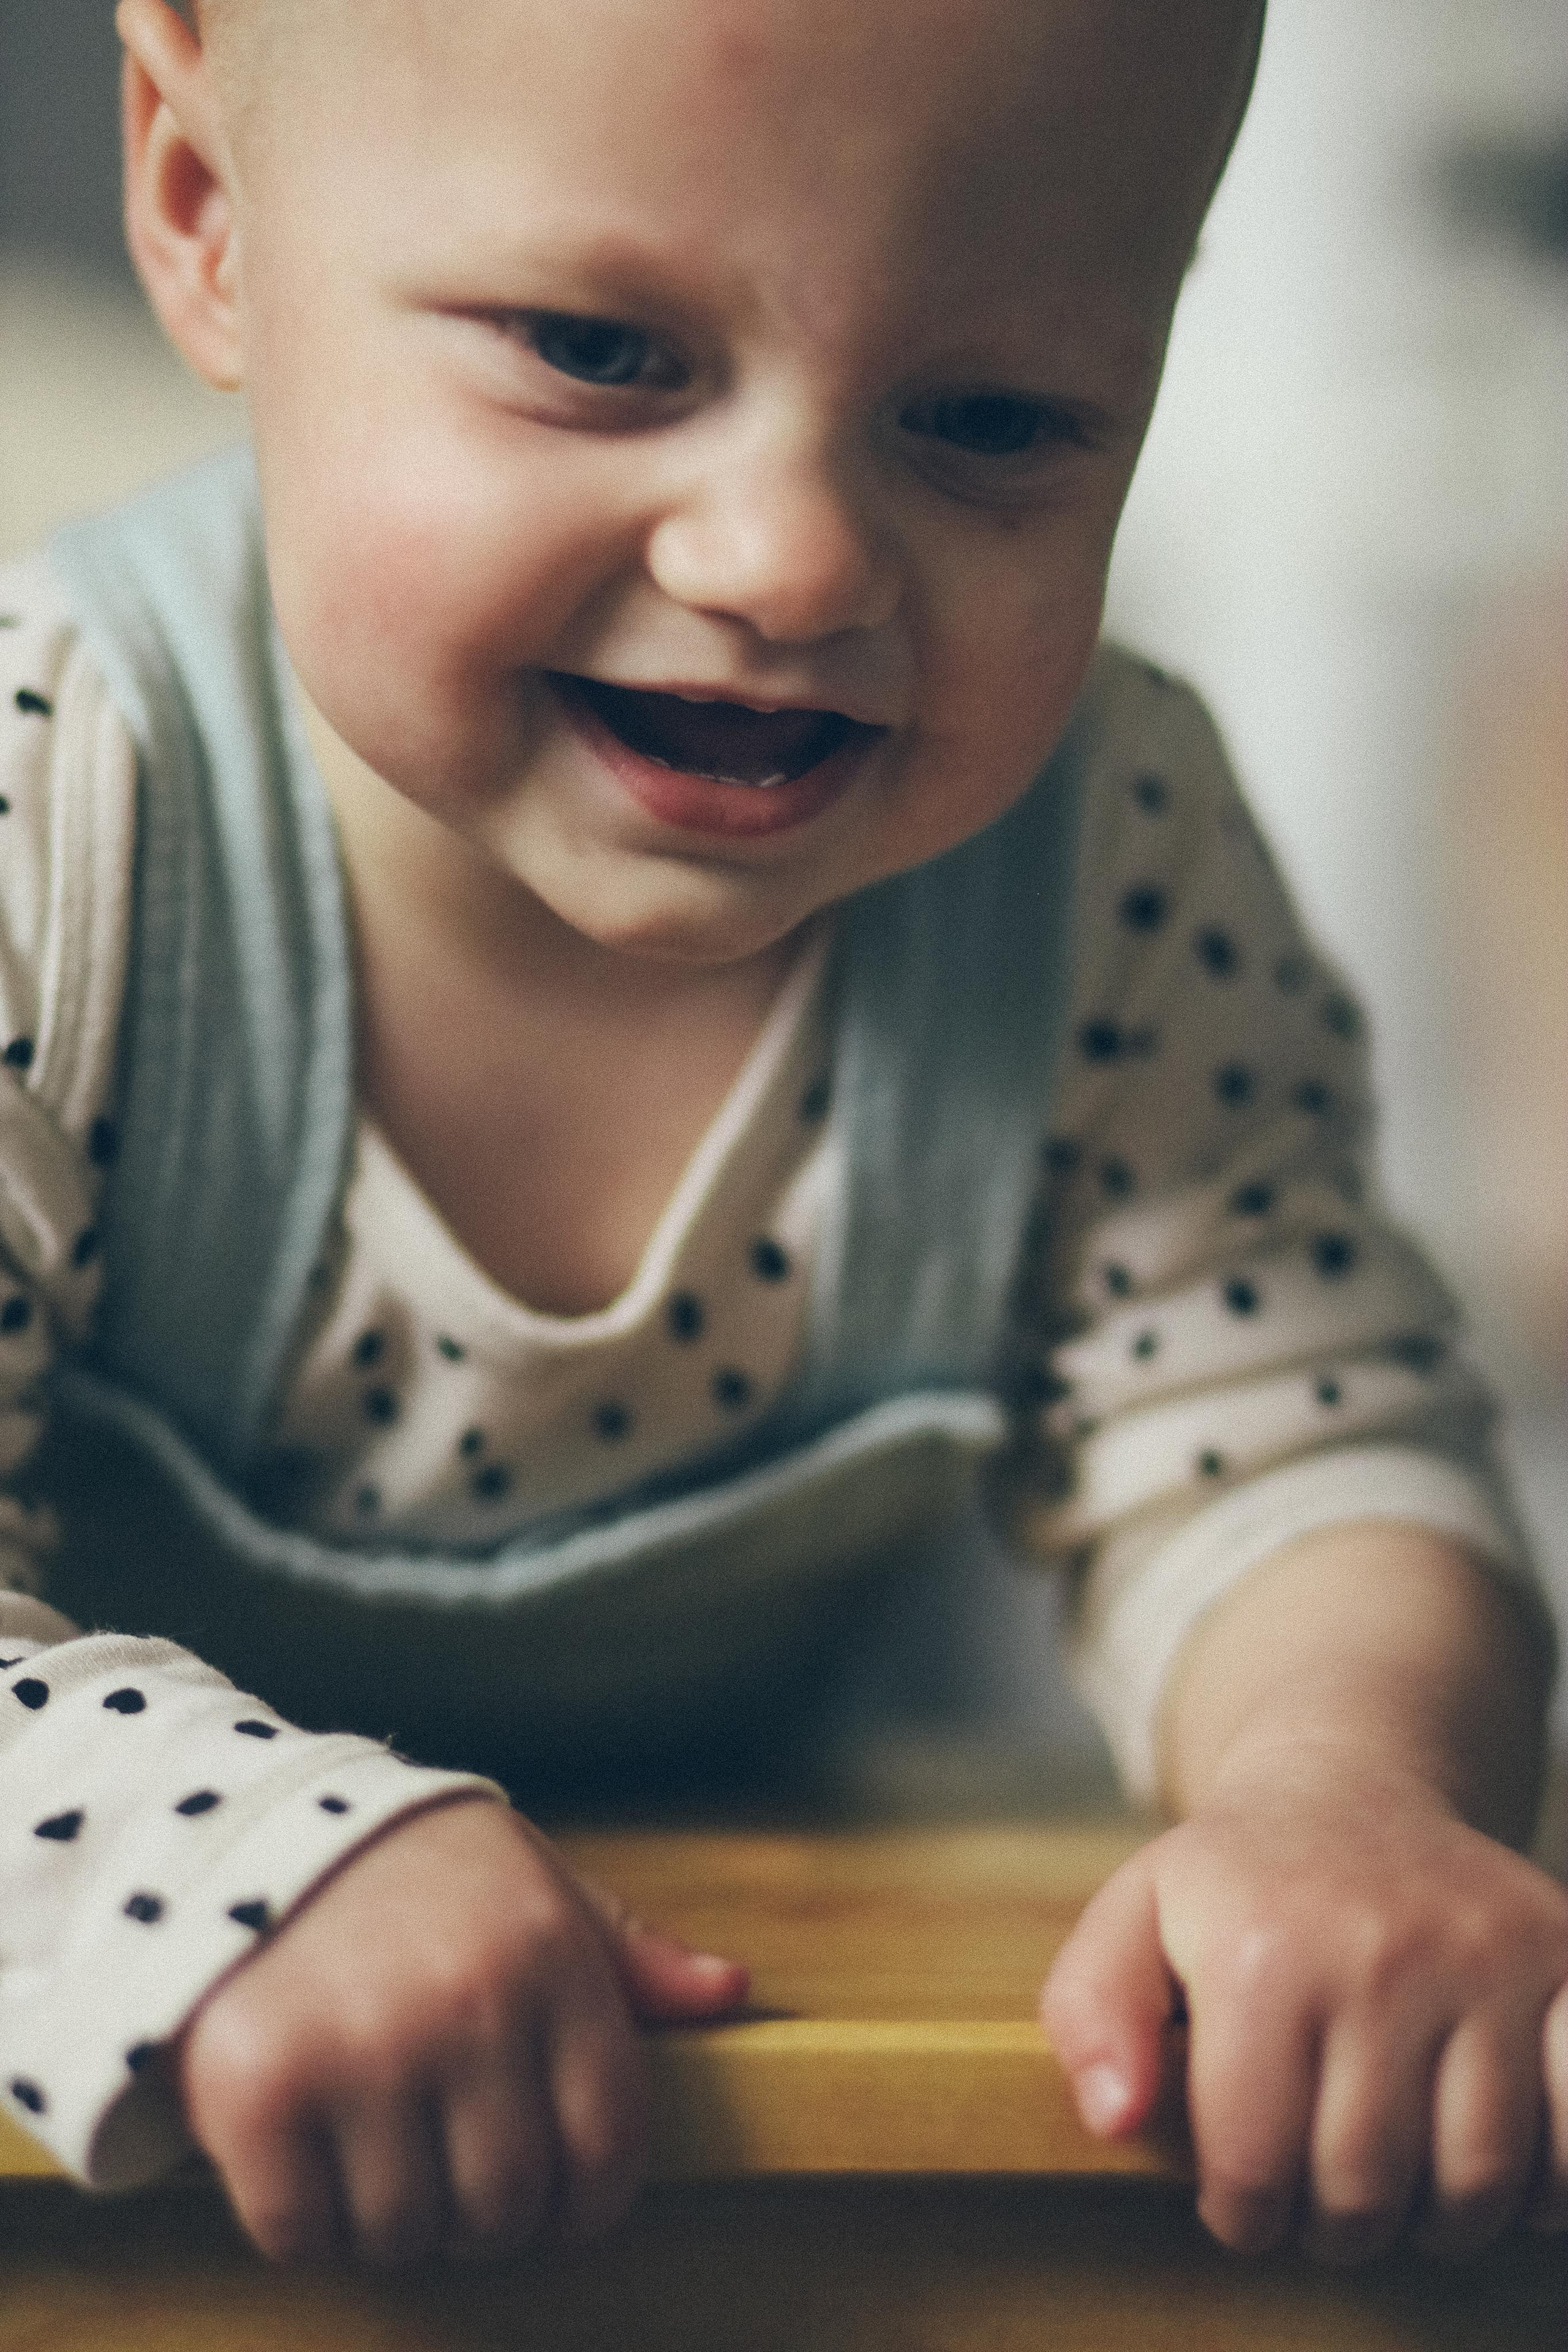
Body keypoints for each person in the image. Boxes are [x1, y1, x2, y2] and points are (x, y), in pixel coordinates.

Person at [0, 0, 1562, 2276]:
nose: (792, 558)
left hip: (756, 2088)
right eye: (599, 352)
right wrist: (227, 1859)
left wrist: (1347, 1795)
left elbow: (1291, 1458)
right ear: (204, 205)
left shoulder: (1095, 858)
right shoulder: (56, 802)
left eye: (995, 417)